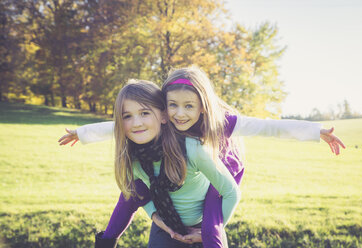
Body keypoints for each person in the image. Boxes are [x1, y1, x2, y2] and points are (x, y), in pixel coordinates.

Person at [59, 66, 345, 247]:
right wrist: (82, 133)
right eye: (173, 105)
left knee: (211, 227)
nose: (180, 114)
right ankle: (106, 241)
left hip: (219, 172)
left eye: (189, 106)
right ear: (164, 108)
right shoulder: (145, 133)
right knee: (130, 192)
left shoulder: (220, 123)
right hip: (171, 181)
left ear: (203, 107)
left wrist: (315, 131)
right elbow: (124, 123)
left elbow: (269, 127)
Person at [62, 79, 240, 248]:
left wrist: (209, 231)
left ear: (164, 116)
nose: (136, 123)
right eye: (127, 116)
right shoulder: (132, 155)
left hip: (204, 228)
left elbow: (231, 191)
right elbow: (140, 192)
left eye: (144, 113)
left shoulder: (192, 149)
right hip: (165, 230)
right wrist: (155, 216)